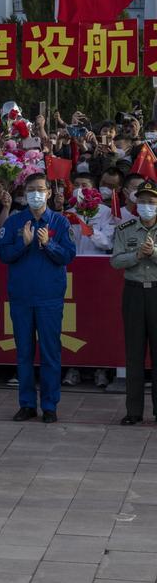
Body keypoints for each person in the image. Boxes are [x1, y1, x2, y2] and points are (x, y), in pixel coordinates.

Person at [0, 173, 76, 423]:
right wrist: (24, 242)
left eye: (40, 189)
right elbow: (3, 254)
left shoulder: (60, 223)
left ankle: (50, 405)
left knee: (50, 352)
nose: (35, 194)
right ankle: (27, 404)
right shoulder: (15, 222)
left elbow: (68, 255)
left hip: (49, 297)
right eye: (31, 190)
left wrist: (48, 244)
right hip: (21, 297)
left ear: (48, 193)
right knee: (24, 352)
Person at [111, 181, 157, 425]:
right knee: (134, 354)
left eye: (151, 202)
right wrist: (137, 255)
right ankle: (134, 411)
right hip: (134, 293)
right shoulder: (125, 228)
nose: (147, 206)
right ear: (135, 204)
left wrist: (153, 254)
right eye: (143, 202)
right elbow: (116, 261)